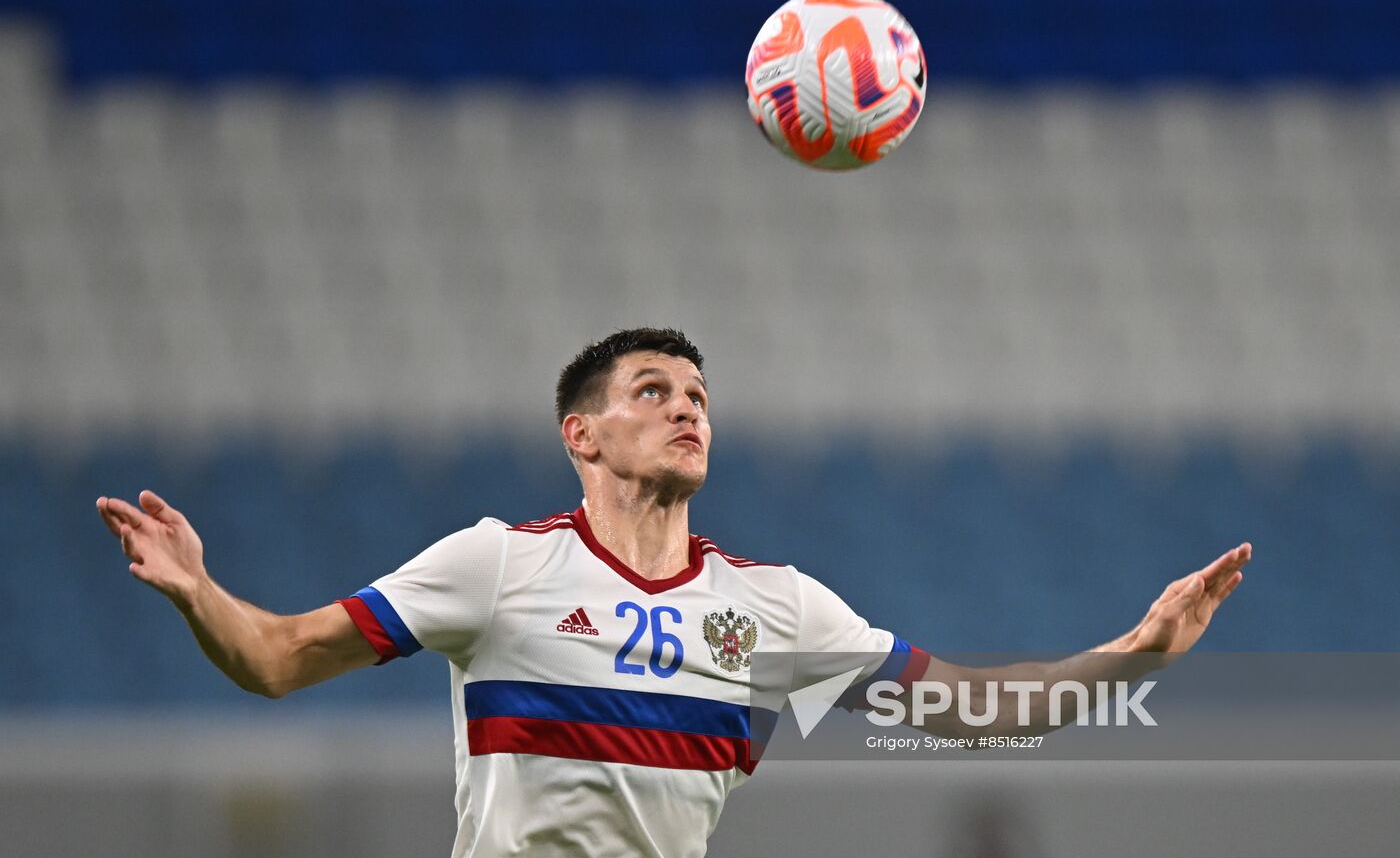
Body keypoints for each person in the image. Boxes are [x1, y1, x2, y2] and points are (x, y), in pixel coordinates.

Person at [96, 326, 1251, 858]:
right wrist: (200, 589)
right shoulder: (499, 562)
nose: (686, 404)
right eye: (651, 388)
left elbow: (968, 711)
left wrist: (1136, 651)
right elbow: (281, 656)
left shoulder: (777, 606)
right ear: (580, 432)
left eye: (697, 391)